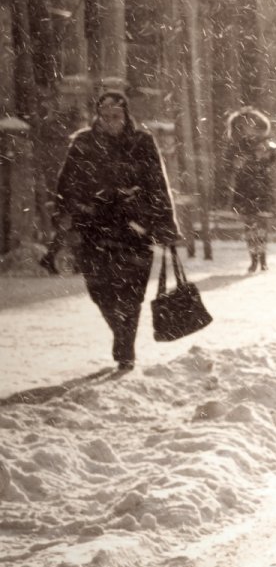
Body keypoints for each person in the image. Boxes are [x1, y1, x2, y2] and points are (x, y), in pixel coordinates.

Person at [53, 90, 182, 370]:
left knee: (131, 293)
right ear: (97, 116)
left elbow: (157, 182)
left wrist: (165, 223)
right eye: (105, 116)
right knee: (100, 291)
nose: (111, 121)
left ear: (126, 115)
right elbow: (66, 183)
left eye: (116, 115)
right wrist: (68, 214)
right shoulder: (83, 143)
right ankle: (122, 336)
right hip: (93, 228)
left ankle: (125, 348)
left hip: (134, 228)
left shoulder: (142, 142)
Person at [221, 107, 276, 272]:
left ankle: (263, 259)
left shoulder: (266, 141)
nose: (249, 127)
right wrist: (236, 164)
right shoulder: (236, 144)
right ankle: (253, 259)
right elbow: (227, 164)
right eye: (245, 124)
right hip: (245, 188)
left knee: (262, 224)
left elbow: (275, 158)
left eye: (252, 123)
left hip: (262, 187)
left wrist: (266, 156)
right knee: (249, 225)